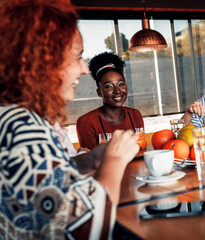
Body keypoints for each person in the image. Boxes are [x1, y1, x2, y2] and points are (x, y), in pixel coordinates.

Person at [0, 0, 139, 239]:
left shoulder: (17, 118)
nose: (85, 69)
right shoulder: (21, 128)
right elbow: (91, 229)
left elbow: (47, 183)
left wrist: (90, 160)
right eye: (78, 56)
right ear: (41, 62)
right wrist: (114, 160)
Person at [76, 52, 144, 150]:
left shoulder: (135, 115)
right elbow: (90, 161)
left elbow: (141, 150)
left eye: (121, 84)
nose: (117, 90)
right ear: (99, 92)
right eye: (108, 86)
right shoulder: (87, 122)